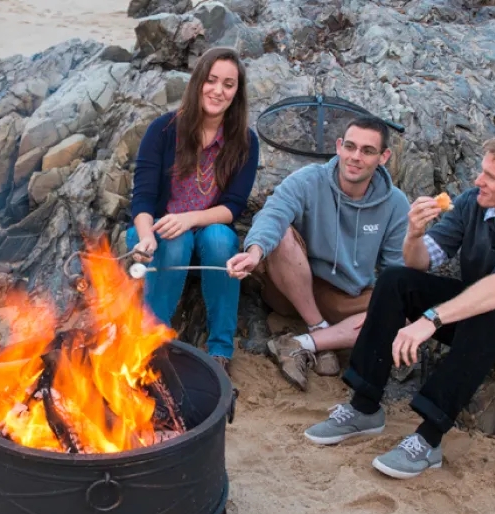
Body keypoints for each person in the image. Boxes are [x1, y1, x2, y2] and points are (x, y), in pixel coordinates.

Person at [304, 130, 495, 480]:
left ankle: (428, 440)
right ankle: (364, 406)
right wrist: (414, 234)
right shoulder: (474, 202)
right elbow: (420, 264)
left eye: (490, 177)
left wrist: (430, 320)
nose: (477, 180)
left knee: (490, 308)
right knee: (395, 280)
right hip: (472, 316)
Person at [226, 117, 409, 391]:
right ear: (338, 147)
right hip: (294, 288)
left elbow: (397, 270)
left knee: (407, 312)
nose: (355, 157)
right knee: (282, 234)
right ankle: (317, 327)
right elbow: (273, 215)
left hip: (348, 297)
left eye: (367, 151)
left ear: (383, 157)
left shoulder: (395, 203)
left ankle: (303, 344)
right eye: (350, 146)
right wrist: (255, 252)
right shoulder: (309, 179)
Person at [128, 47, 260, 371]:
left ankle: (220, 352)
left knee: (219, 240)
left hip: (206, 226)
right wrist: (146, 239)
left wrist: (190, 219)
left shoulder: (244, 140)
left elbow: (233, 207)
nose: (218, 90)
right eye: (211, 80)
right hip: (158, 228)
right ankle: (151, 343)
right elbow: (142, 200)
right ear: (198, 81)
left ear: (236, 93)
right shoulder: (163, 129)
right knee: (174, 239)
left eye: (228, 84)